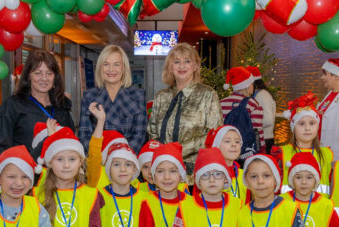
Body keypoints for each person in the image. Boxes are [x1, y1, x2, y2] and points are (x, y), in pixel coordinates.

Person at [0, 50, 74, 169]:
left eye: (49, 73)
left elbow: (71, 142)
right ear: (28, 75)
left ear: (55, 77)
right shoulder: (13, 105)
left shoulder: (62, 105)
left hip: (57, 178)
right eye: (38, 73)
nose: (44, 78)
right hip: (24, 178)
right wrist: (6, 177)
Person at [147, 42, 222, 177]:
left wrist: (176, 151)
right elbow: (152, 133)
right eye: (177, 61)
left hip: (195, 173)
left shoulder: (208, 95)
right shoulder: (161, 96)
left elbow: (214, 135)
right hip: (163, 173)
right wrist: (163, 155)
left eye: (187, 61)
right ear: (170, 67)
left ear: (195, 66)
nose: (182, 66)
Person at [78, 45, 147, 154]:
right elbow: (84, 135)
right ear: (100, 67)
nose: (111, 69)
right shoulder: (89, 96)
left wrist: (121, 158)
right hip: (98, 161)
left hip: (126, 162)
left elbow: (139, 136)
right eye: (106, 64)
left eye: (116, 64)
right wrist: (100, 157)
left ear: (124, 68)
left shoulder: (138, 95)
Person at [281, 93, 333, 195]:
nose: (308, 128)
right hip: (291, 209)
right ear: (293, 128)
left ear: (317, 126)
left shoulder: (327, 154)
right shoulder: (283, 153)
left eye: (312, 123)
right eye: (301, 124)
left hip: (320, 209)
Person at [219, 67, 265, 158]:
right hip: (246, 152)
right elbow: (257, 131)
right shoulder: (253, 104)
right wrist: (262, 149)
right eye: (252, 84)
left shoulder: (221, 103)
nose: (253, 86)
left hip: (225, 149)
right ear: (248, 86)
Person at [247, 66, 276, 154]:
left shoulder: (262, 95)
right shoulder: (259, 94)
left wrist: (249, 126)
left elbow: (268, 120)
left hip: (265, 139)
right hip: (260, 138)